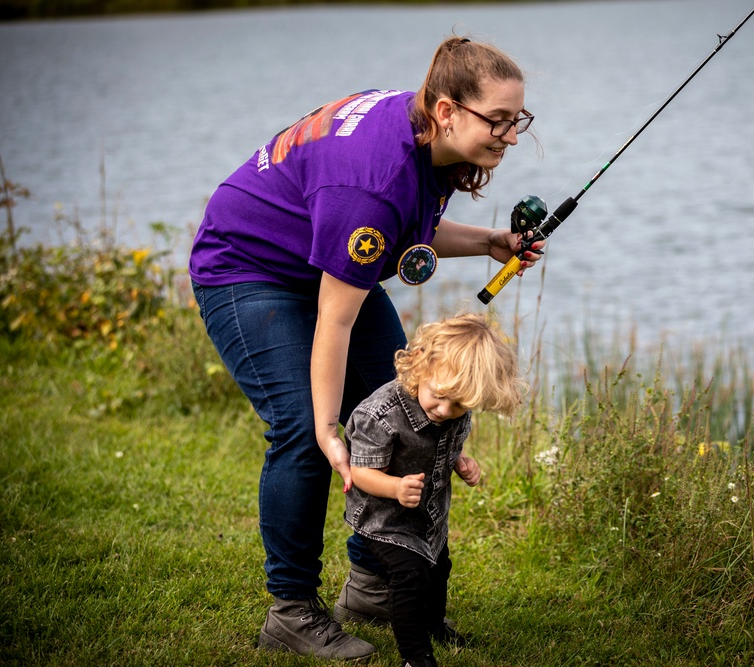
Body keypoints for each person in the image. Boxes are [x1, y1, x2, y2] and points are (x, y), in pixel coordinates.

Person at [188, 35, 542, 660]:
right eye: (499, 121)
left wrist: (490, 241)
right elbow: (336, 323)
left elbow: (414, 226)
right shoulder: (372, 186)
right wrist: (330, 426)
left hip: (320, 260)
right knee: (301, 429)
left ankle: (373, 587)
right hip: (248, 267)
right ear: (446, 111)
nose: (510, 136)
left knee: (404, 409)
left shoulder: (422, 135)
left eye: (519, 121)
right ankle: (290, 610)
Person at [345, 313, 523, 667]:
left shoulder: (455, 408)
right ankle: (417, 656)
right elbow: (359, 472)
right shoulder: (380, 414)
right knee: (409, 576)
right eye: (440, 398)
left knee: (438, 567)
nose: (445, 411)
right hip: (384, 518)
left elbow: (444, 446)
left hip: (428, 517)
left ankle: (435, 625)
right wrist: (395, 486)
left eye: (459, 405)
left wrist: (461, 462)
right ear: (421, 366)